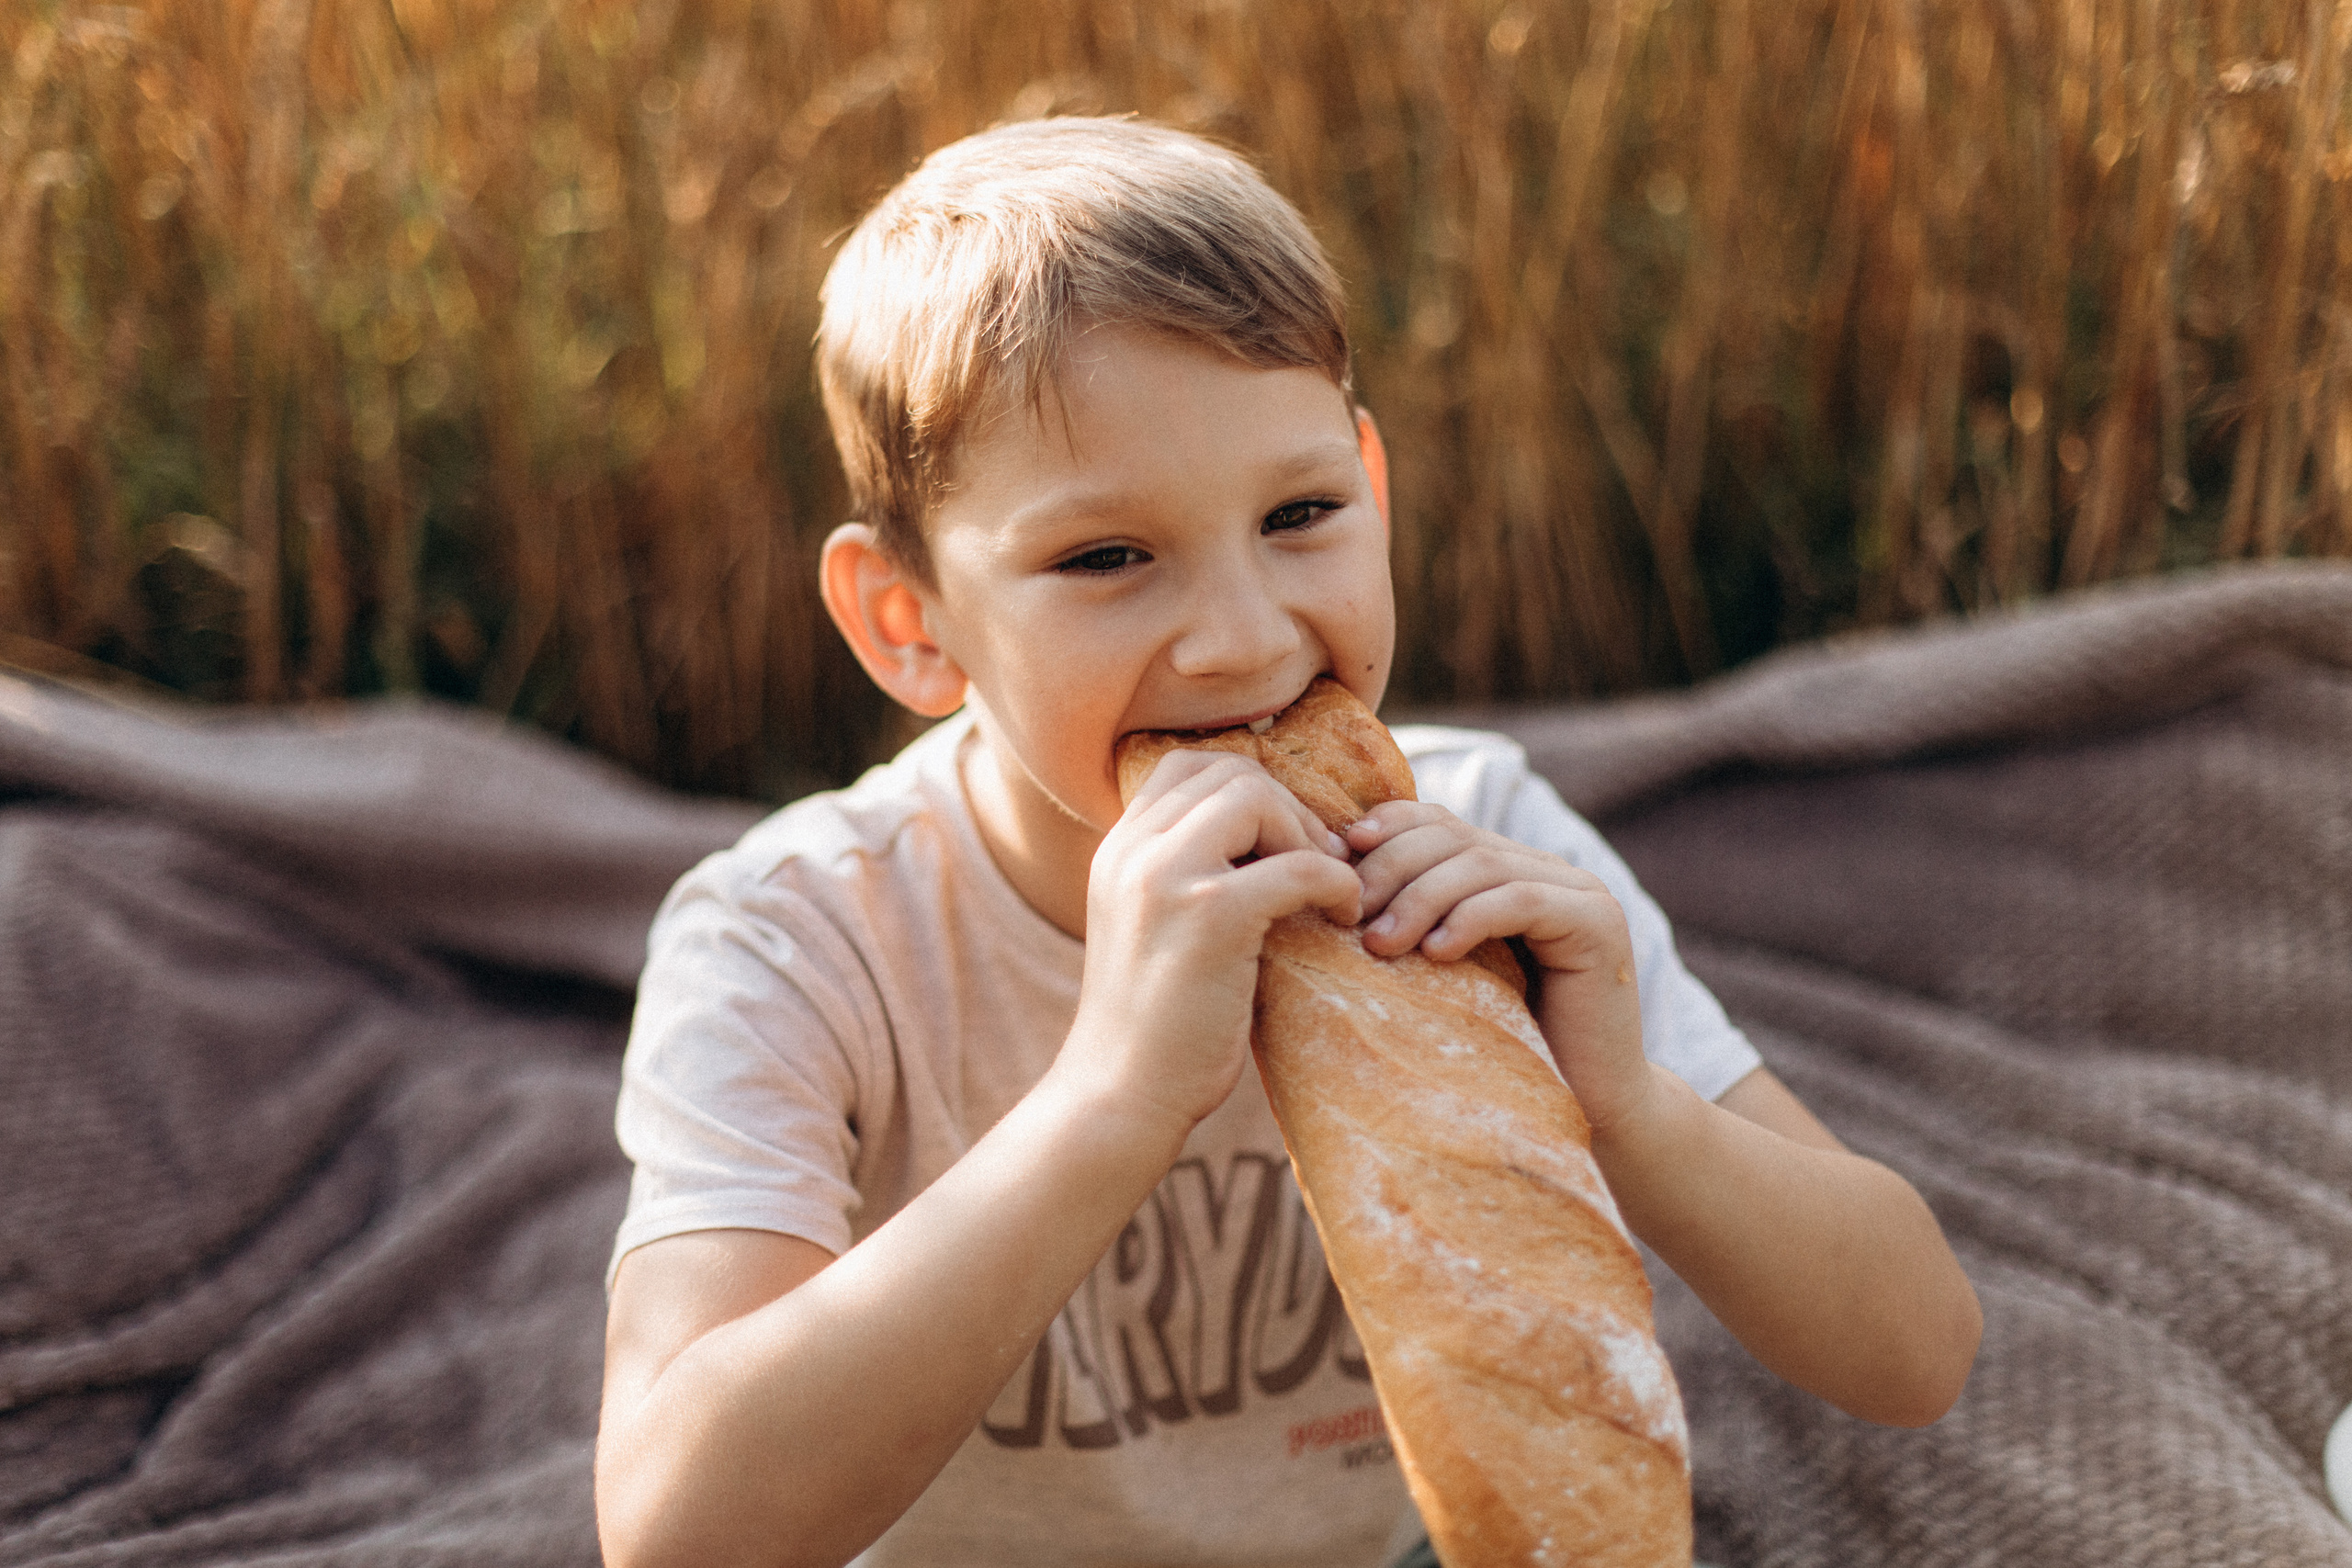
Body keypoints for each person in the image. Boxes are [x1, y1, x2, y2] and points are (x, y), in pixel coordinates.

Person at [594, 117, 1981, 1568]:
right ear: (908, 619)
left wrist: (1628, 1100)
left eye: (1300, 514)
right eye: (1104, 558)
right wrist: (1115, 1094)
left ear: (1372, 494)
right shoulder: (797, 937)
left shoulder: (1479, 835)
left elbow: (1919, 1349)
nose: (1244, 638)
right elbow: (679, 1529)